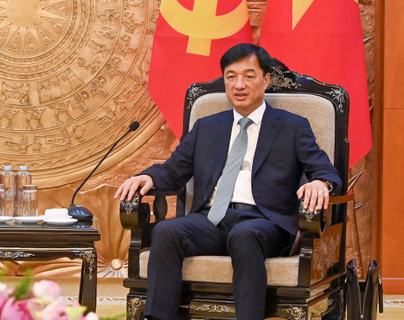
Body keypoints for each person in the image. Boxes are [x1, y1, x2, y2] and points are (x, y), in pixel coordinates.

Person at [115, 43, 342, 320]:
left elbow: (325, 171)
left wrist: (321, 183)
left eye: (249, 76)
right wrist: (147, 176)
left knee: (244, 235)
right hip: (211, 220)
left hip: (264, 222)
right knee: (166, 231)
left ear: (265, 79)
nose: (239, 85)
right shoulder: (207, 126)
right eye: (231, 77)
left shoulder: (292, 126)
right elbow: (174, 171)